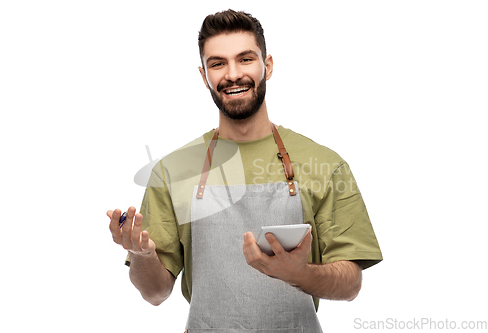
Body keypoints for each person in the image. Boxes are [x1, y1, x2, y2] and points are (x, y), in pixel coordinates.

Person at [108, 9, 382, 332]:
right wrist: (142, 254)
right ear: (203, 75)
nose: (233, 74)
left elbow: (351, 284)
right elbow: (155, 292)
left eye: (245, 59)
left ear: (266, 66)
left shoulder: (325, 164)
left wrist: (299, 274)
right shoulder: (173, 171)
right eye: (218, 63)